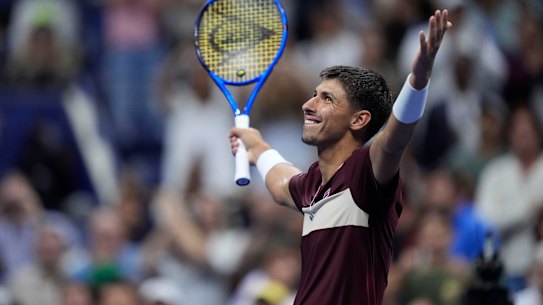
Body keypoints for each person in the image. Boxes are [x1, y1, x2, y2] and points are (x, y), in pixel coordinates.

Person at [229, 9, 452, 305]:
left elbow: (395, 139)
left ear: (359, 120)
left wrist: (418, 80)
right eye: (314, 94)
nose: (308, 105)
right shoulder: (311, 185)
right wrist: (256, 147)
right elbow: (282, 182)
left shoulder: (365, 173)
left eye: (326, 99)